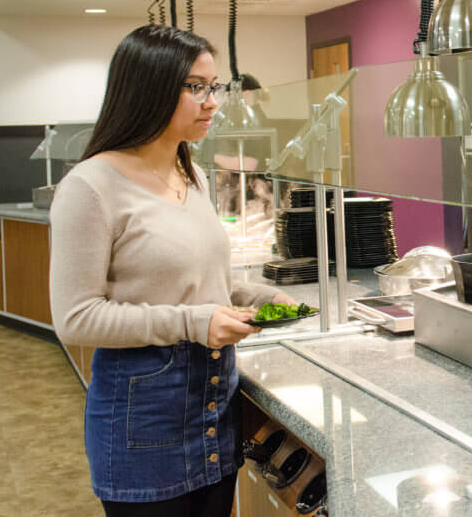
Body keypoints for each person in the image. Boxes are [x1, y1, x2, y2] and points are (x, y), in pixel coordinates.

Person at [49, 25, 298, 516]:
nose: (212, 103)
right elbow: (76, 318)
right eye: (196, 87)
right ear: (148, 89)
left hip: (213, 408)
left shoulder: (193, 173)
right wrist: (193, 321)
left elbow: (204, 283)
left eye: (215, 87)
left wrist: (256, 296)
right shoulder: (90, 187)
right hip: (143, 420)